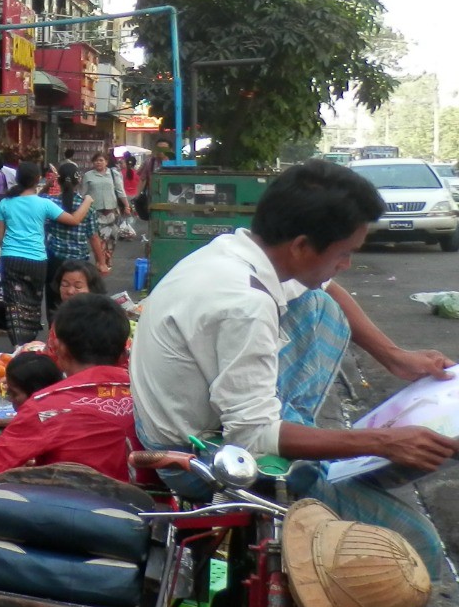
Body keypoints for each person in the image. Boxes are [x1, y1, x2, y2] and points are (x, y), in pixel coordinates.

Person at [130, 160, 456, 575]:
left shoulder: (235, 251)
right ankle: (312, 486)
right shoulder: (246, 305)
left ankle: (314, 455)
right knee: (419, 547)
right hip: (196, 458)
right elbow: (252, 435)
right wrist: (383, 443)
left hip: (180, 421)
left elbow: (328, 288)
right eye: (344, 253)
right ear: (302, 246)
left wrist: (395, 357)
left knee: (321, 305)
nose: (347, 264)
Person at [0, 294, 139, 482]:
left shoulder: (46, 407)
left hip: (75, 507)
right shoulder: (150, 398)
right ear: (124, 353)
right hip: (156, 509)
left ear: (62, 350)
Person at [0, 161, 92, 346]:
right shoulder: (44, 204)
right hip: (36, 260)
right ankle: (29, 342)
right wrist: (87, 200)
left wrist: (10, 247)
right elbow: (74, 219)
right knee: (33, 301)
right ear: (37, 179)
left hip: (10, 259)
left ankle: (18, 343)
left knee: (14, 303)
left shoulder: (5, 203)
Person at [44, 161, 95, 311]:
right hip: (79, 261)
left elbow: (35, 199)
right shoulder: (86, 205)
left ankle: (54, 332)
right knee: (79, 301)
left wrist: (48, 184)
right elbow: (93, 236)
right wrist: (101, 261)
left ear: (58, 181)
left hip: (54, 260)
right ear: (78, 180)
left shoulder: (50, 202)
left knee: (54, 301)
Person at [82, 153, 129, 276]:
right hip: (95, 212)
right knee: (99, 239)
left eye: (101, 160)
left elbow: (120, 191)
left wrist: (127, 206)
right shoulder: (88, 176)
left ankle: (107, 259)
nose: (98, 163)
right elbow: (83, 194)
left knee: (112, 239)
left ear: (106, 162)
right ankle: (100, 262)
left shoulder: (114, 174)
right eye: (96, 161)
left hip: (112, 212)